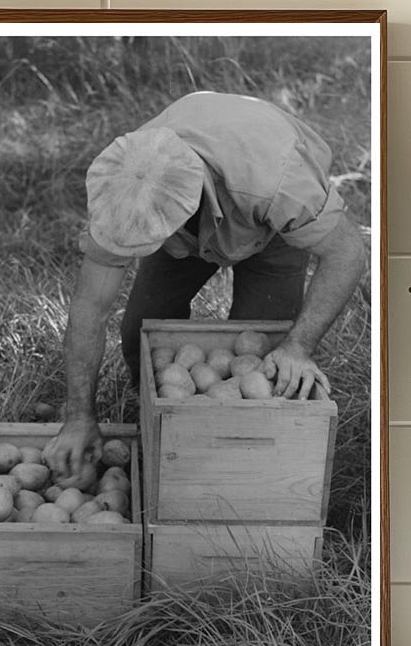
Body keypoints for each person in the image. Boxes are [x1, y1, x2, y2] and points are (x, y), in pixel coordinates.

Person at [46, 90, 367, 481]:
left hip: (269, 225)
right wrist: (79, 415)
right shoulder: (129, 191)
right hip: (181, 220)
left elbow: (347, 253)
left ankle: (240, 467)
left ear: (189, 207)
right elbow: (89, 310)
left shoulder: (277, 182)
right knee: (140, 335)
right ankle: (163, 428)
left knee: (261, 362)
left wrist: (299, 346)